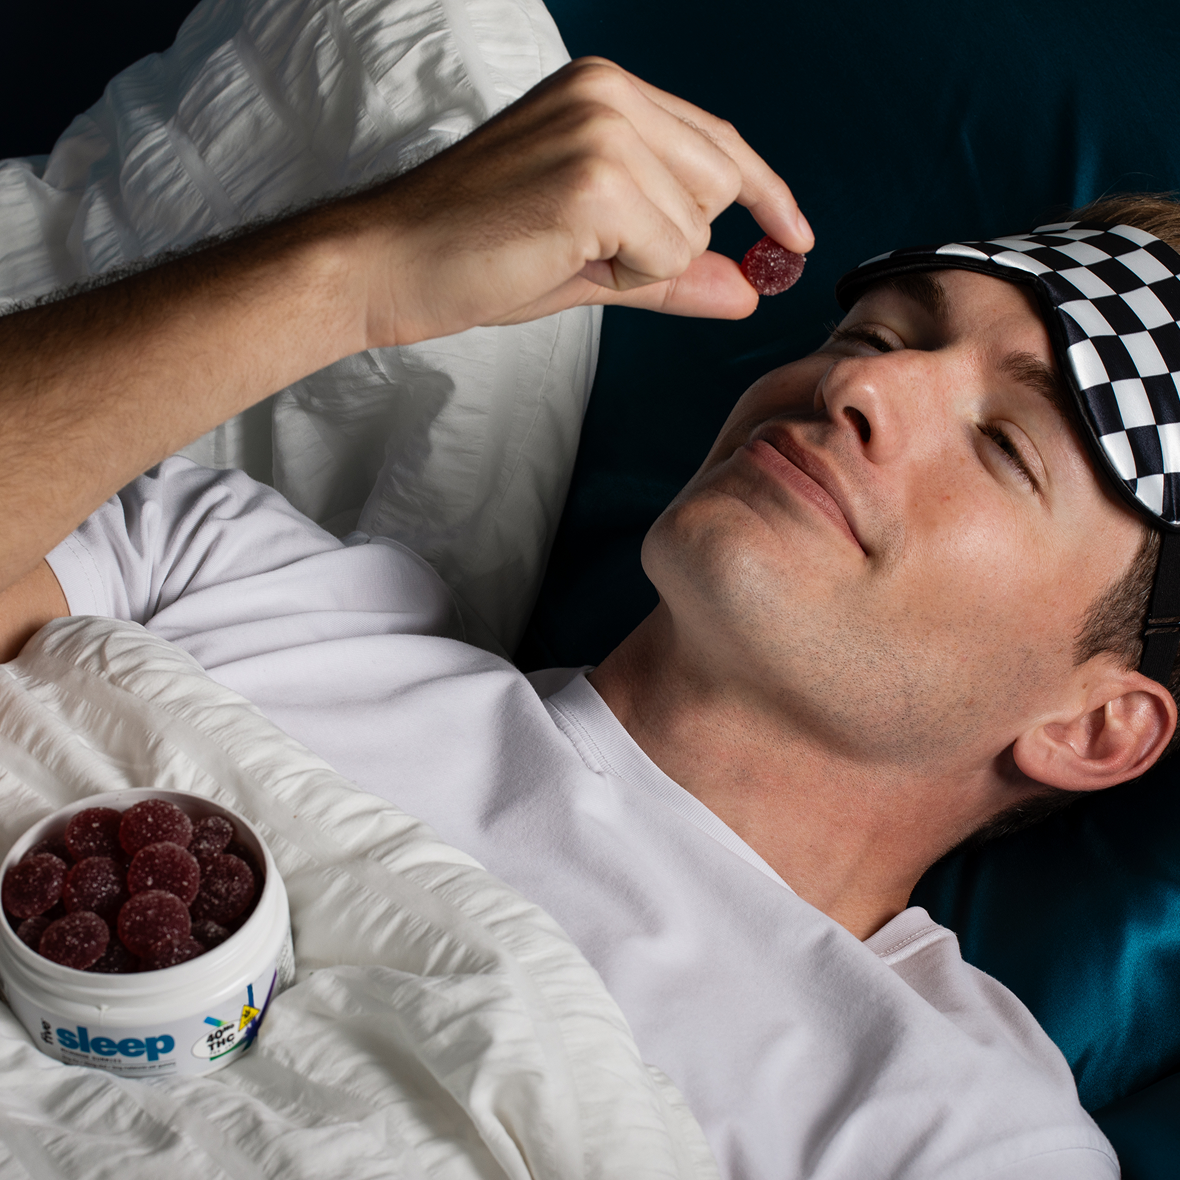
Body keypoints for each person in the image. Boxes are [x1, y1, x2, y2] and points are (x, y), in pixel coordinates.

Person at [0, 52, 1151, 1178]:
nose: (855, 383)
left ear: (1093, 727)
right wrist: (355, 267)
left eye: (1006, 444)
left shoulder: (960, 1129)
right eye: (877, 334)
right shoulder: (230, 576)